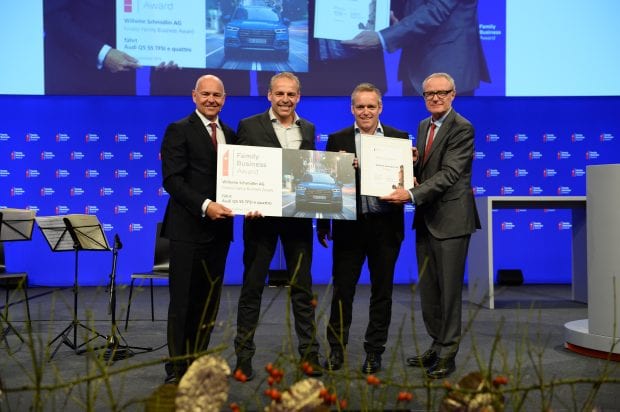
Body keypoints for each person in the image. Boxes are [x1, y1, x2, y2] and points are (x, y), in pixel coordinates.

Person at [382, 72, 481, 379]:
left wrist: (411, 194)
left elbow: (450, 174)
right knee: (429, 291)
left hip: (452, 220)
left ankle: (448, 353)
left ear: (453, 95)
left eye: (442, 92)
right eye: (429, 94)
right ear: (424, 97)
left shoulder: (462, 127)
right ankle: (437, 345)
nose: (435, 98)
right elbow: (430, 170)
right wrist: (412, 163)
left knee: (449, 292)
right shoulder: (425, 125)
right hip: (427, 219)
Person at [233, 72, 321, 380]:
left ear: (298, 97)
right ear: (269, 95)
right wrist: (245, 202)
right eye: (279, 93)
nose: (285, 99)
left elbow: (311, 172)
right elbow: (239, 169)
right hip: (260, 222)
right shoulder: (248, 126)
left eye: (291, 94)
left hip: (298, 220)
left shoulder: (308, 128)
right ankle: (243, 358)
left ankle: (310, 356)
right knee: (252, 290)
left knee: (302, 289)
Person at [317, 83, 409, 374]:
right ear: (352, 108)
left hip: (386, 228)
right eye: (360, 106)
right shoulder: (338, 139)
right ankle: (336, 350)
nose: (366, 111)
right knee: (342, 292)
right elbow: (325, 182)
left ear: (380, 107)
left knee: (382, 294)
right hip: (349, 230)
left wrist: (412, 167)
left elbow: (409, 182)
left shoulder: (399, 139)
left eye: (371, 106)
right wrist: (322, 221)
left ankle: (374, 352)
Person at [160, 74, 236, 384]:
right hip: (187, 232)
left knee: (208, 304)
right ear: (194, 96)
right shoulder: (178, 130)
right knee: (183, 303)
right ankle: (176, 369)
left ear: (224, 98)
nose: (211, 100)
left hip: (219, 234)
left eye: (216, 95)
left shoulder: (231, 135)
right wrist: (206, 205)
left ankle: (196, 365)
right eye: (205, 94)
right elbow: (173, 180)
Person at [342, 0, 490, 96]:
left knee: (449, 140)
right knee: (415, 138)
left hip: (447, 69)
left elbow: (435, 10)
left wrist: (382, 37)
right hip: (415, 67)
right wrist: (391, 12)